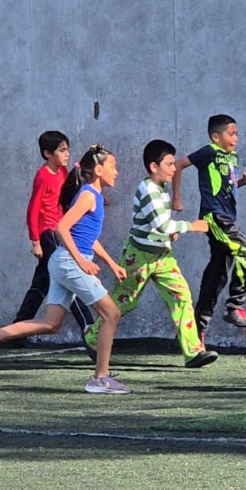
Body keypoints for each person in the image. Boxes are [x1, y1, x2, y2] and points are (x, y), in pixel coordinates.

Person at [0, 145, 131, 394]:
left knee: (51, 323)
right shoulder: (88, 195)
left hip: (63, 262)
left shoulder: (94, 197)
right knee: (111, 314)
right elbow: (62, 227)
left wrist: (111, 263)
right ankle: (100, 378)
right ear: (98, 170)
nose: (117, 172)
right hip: (68, 262)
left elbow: (87, 238)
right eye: (112, 166)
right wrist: (81, 262)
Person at [83, 139, 219, 368]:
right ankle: (92, 337)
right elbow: (162, 225)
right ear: (154, 166)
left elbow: (160, 225)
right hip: (138, 257)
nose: (174, 169)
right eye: (169, 164)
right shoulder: (147, 189)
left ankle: (193, 352)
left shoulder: (162, 189)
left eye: (174, 164)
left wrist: (169, 235)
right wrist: (191, 226)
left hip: (163, 256)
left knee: (181, 296)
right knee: (124, 302)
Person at [172, 114, 246, 341]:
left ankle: (196, 334)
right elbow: (179, 165)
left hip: (227, 217)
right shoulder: (208, 152)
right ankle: (235, 307)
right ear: (215, 136)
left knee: (216, 276)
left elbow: (224, 187)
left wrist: (242, 182)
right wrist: (177, 198)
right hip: (215, 217)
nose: (236, 138)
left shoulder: (231, 156)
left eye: (237, 133)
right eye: (231, 134)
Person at [10, 130, 95, 335]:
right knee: (69, 276)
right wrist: (35, 241)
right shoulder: (43, 176)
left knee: (41, 283)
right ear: (48, 153)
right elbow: (33, 209)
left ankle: (15, 331)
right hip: (49, 233)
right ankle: (90, 330)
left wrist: (90, 155)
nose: (66, 154)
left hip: (59, 230)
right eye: (62, 150)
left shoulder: (63, 171)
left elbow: (75, 179)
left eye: (68, 150)